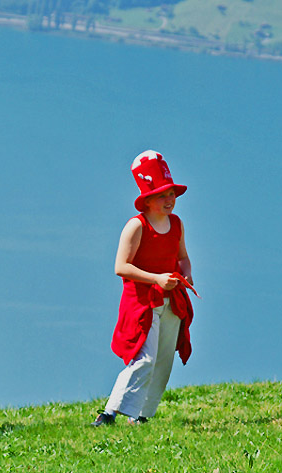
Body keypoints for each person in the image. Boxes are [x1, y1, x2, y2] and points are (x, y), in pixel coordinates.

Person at [91, 150, 195, 427]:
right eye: (162, 195)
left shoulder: (177, 225)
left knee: (162, 361)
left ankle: (142, 416)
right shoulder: (136, 227)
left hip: (171, 299)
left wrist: (187, 274)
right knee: (144, 358)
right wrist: (157, 278)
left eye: (171, 194)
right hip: (142, 301)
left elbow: (182, 256)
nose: (169, 200)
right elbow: (121, 267)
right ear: (147, 200)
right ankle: (110, 413)